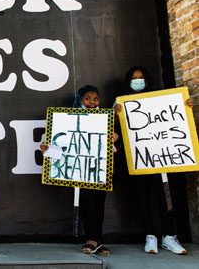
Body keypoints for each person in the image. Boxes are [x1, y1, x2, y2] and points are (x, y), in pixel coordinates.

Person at [114, 66, 192, 255]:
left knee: (166, 197)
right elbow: (115, 130)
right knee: (142, 197)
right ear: (128, 80)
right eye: (134, 77)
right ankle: (150, 236)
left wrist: (185, 107)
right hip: (138, 157)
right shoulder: (120, 102)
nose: (137, 80)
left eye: (141, 77)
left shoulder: (159, 98)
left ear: (147, 79)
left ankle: (170, 236)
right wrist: (117, 115)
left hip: (162, 158)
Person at [41, 85, 117, 255]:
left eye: (95, 98)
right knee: (87, 203)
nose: (92, 102)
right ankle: (92, 239)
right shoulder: (67, 119)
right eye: (87, 98)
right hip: (81, 170)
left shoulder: (106, 119)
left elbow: (111, 147)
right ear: (80, 100)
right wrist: (48, 149)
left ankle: (97, 240)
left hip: (100, 169)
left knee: (99, 204)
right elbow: (63, 147)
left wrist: (114, 137)